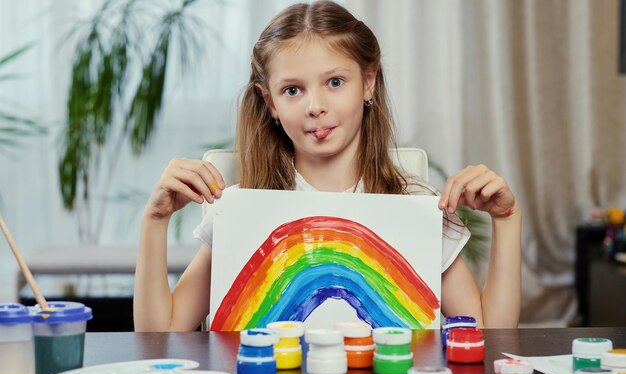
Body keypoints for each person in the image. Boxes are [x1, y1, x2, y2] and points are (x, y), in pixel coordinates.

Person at [134, 0, 521, 332]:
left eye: (334, 82)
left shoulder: (416, 205)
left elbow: (488, 337)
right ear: (269, 103)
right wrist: (154, 221)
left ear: (368, 83)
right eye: (292, 90)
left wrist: (507, 218)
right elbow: (161, 334)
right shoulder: (242, 213)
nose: (315, 105)